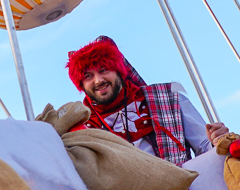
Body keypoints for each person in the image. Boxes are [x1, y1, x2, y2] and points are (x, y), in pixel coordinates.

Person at [61, 37, 226, 164]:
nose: (98, 80)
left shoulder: (168, 97)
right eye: (88, 76)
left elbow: (205, 149)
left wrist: (217, 142)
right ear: (81, 84)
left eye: (104, 70)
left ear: (119, 71)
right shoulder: (82, 129)